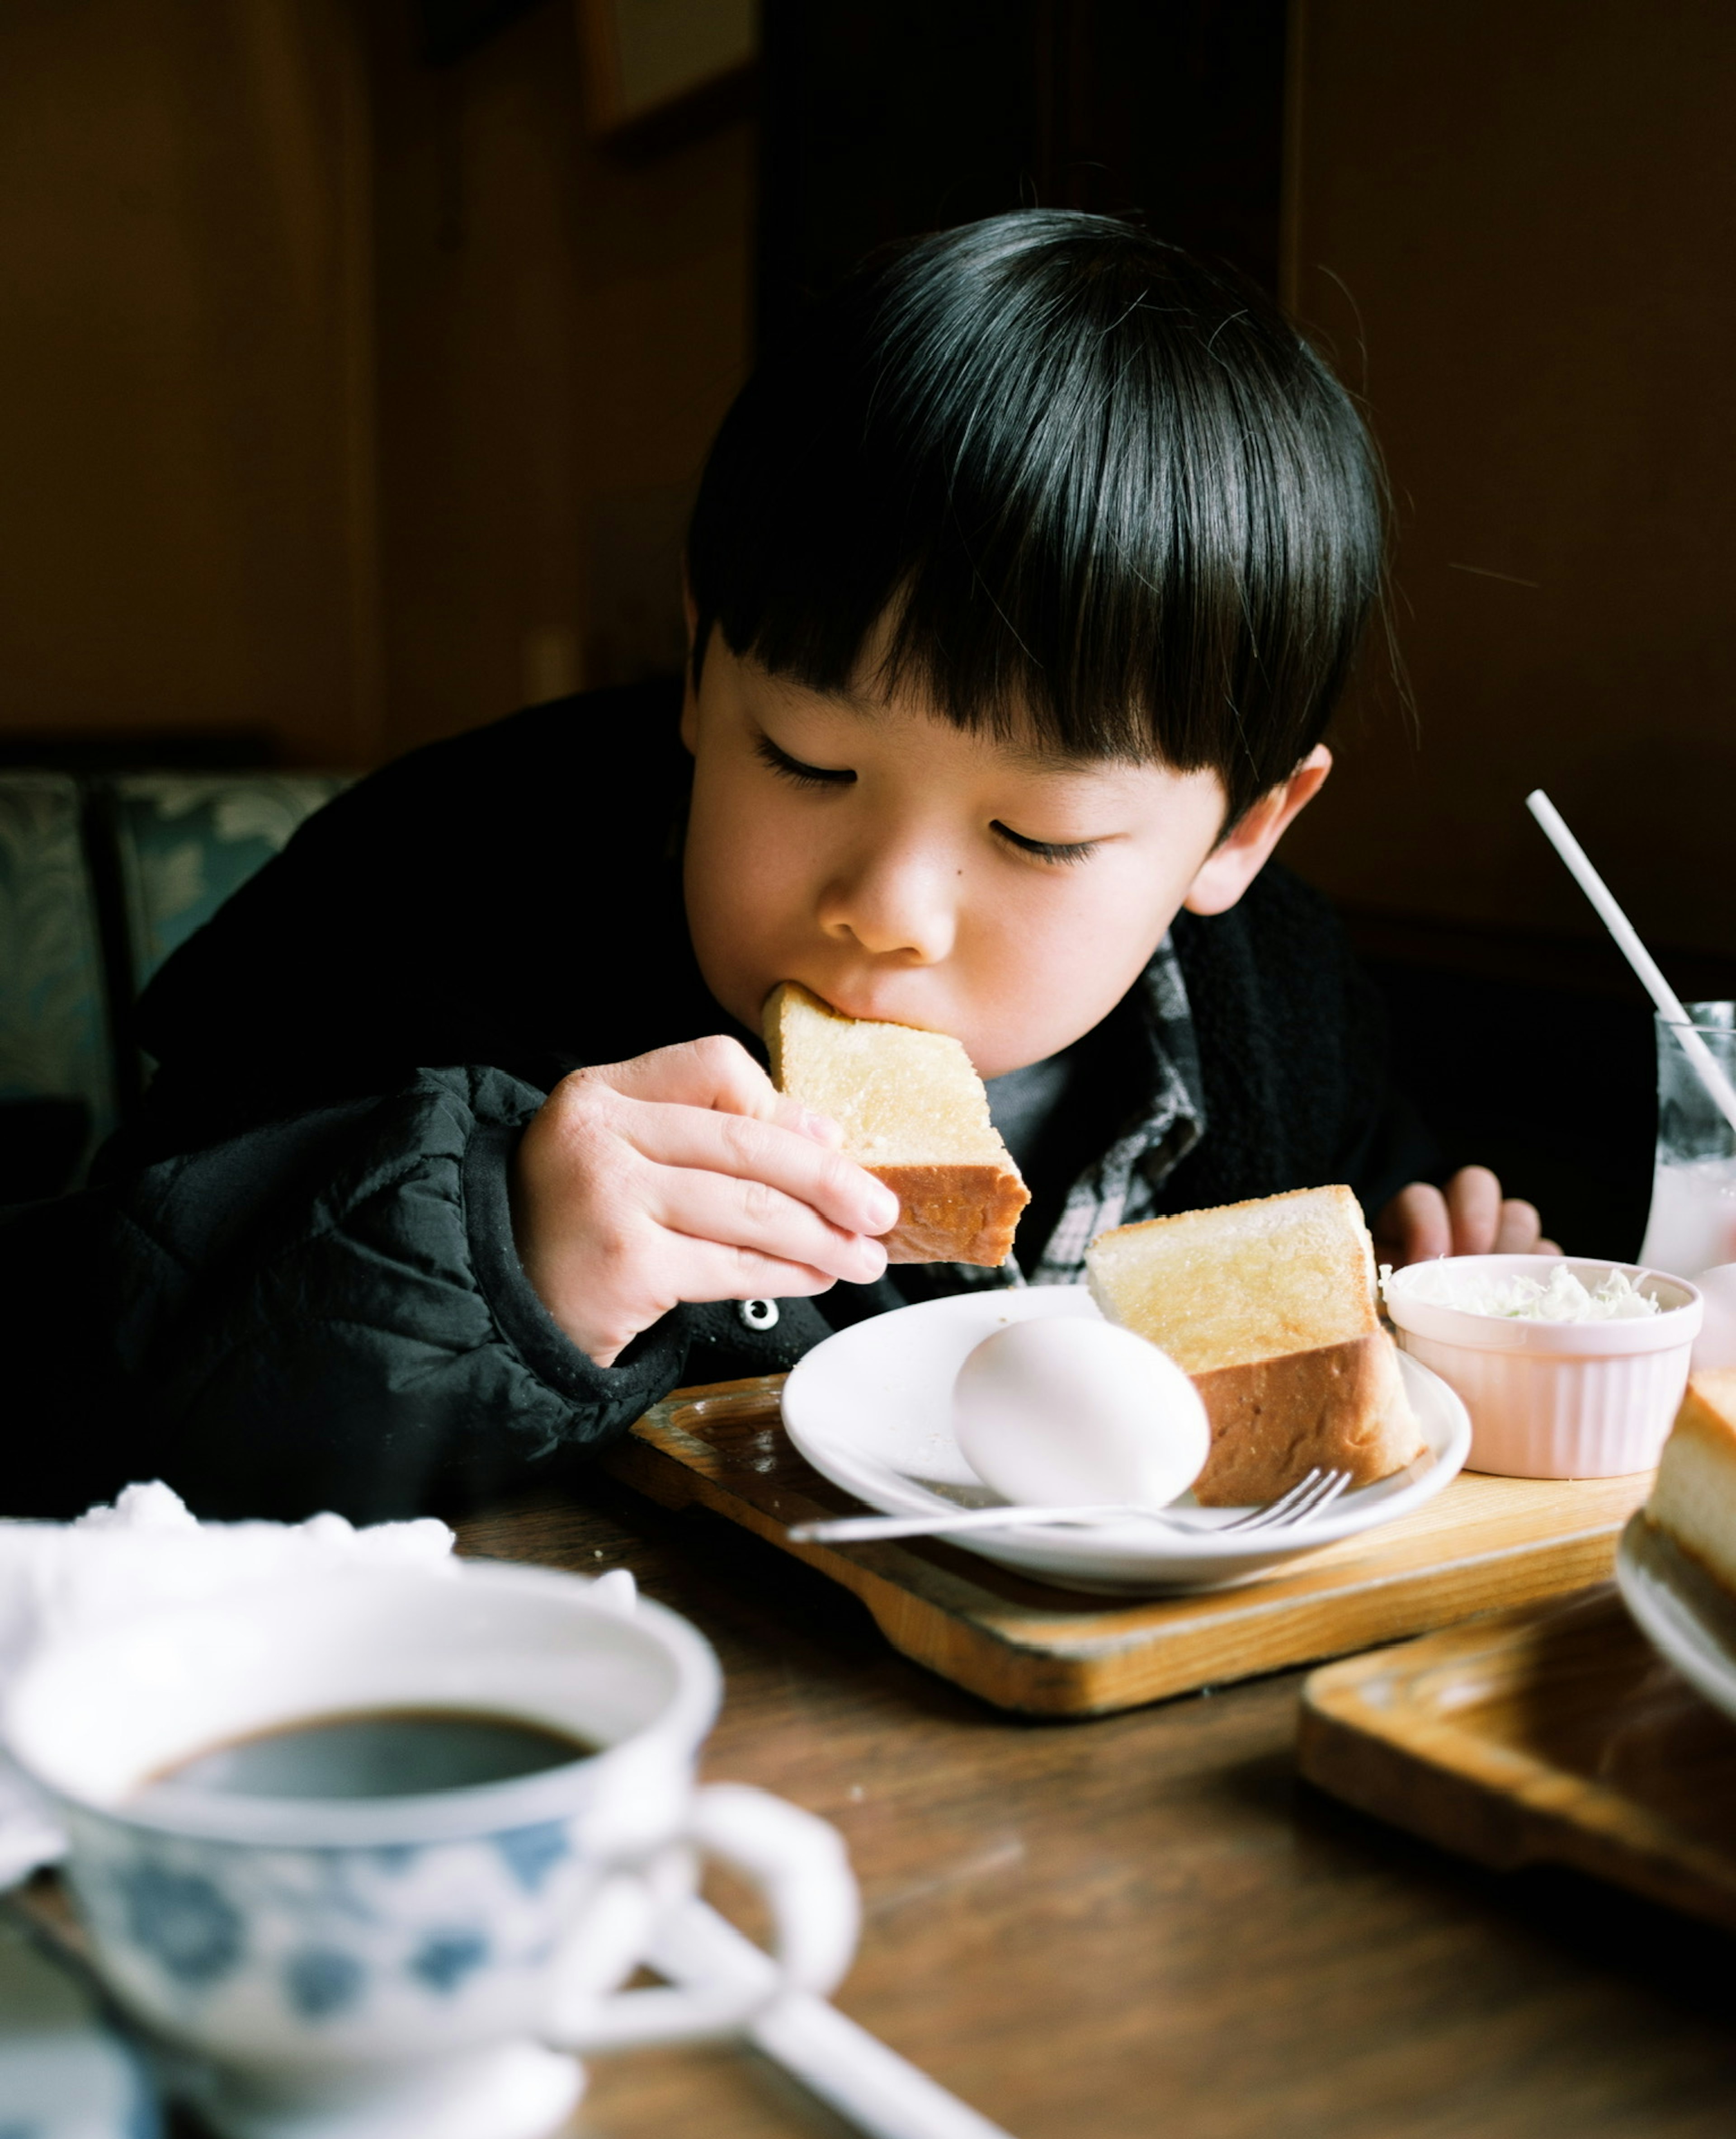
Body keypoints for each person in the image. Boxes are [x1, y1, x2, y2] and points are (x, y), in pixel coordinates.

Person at [6, 212, 1552, 1522]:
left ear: (1241, 835)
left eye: (1038, 836)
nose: (887, 905)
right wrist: (491, 1245)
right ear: (699, 669)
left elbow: (1373, 1216)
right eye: (808, 763)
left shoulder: (1274, 1012)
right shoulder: (439, 898)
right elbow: (84, 1365)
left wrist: (1450, 1285)